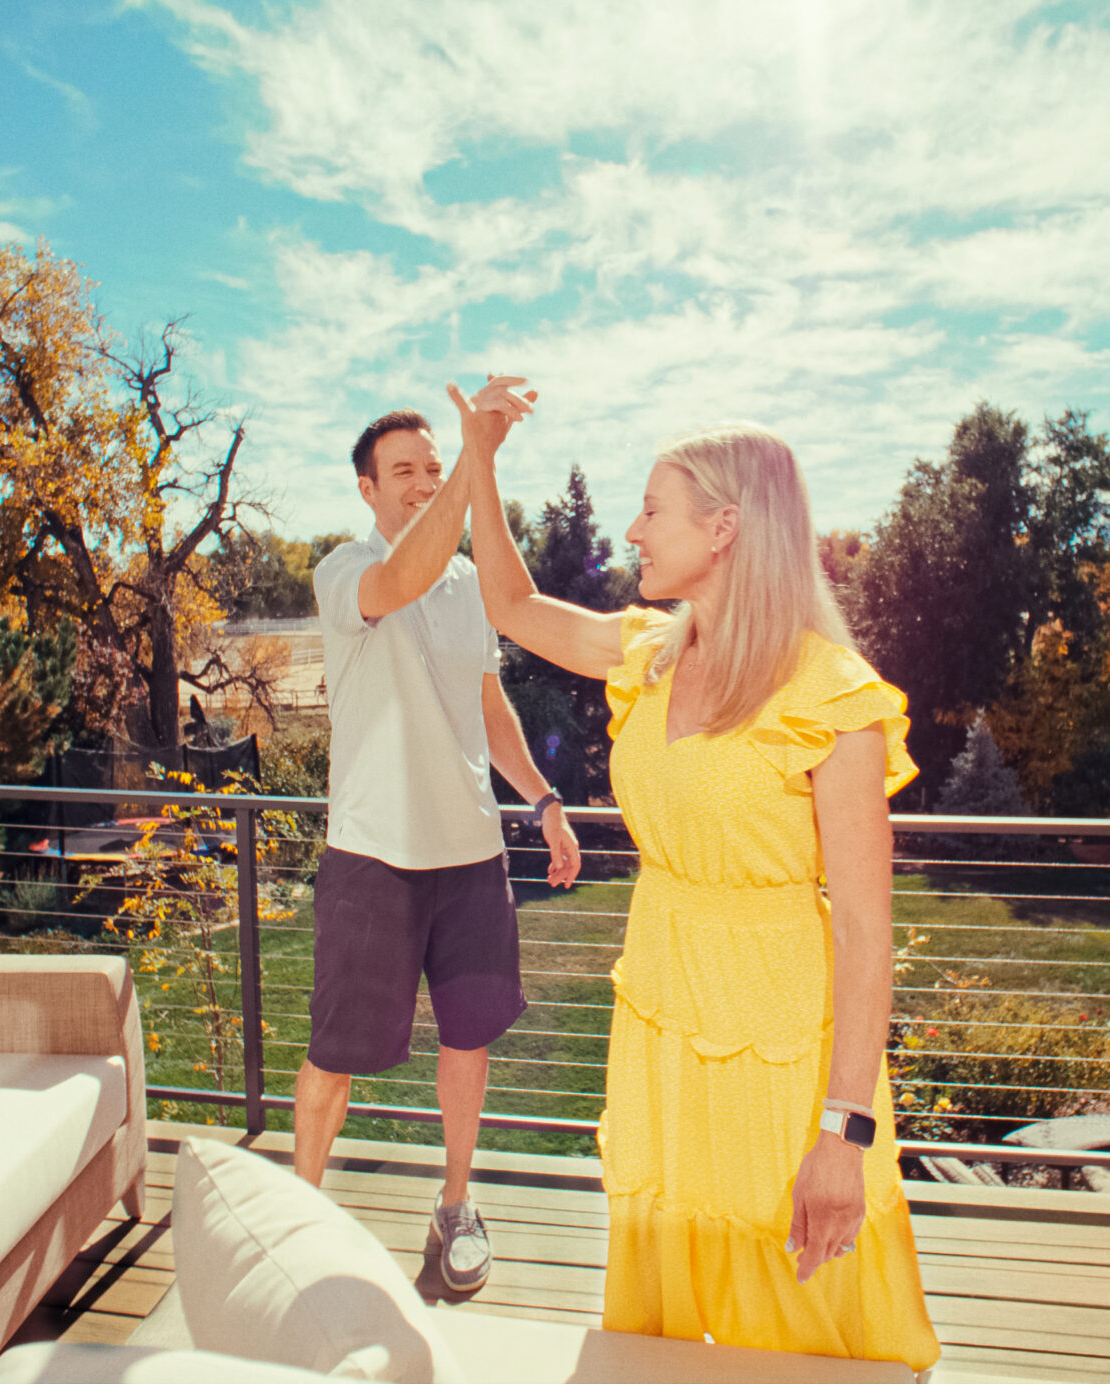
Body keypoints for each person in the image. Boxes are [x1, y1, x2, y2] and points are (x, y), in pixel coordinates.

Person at [465, 421, 940, 1369]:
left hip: (779, 1043)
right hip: (661, 1010)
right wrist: (478, 457)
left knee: (802, 1306)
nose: (633, 531)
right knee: (667, 1296)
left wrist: (844, 1135)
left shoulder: (832, 697)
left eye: (651, 509)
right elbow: (512, 604)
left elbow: (865, 933)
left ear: (724, 528)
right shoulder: (649, 652)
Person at [298, 378, 581, 1294]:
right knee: (335, 1055)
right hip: (373, 858)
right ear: (367, 489)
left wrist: (542, 801)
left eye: (432, 465)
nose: (423, 480)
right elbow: (402, 575)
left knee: (470, 1043)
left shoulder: (468, 587)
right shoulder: (345, 572)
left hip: (472, 862)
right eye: (405, 470)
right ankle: (300, 1217)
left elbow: (487, 704)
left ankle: (456, 1203)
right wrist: (474, 456)